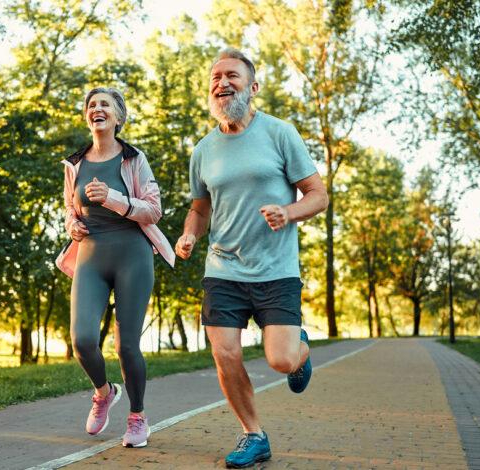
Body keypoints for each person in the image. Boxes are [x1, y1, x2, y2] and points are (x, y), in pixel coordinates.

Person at [175, 48, 329, 468]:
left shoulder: (280, 133)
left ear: (253, 86)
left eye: (232, 76)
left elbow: (319, 195)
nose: (222, 83)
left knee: (280, 360)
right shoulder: (203, 149)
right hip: (223, 267)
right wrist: (189, 234)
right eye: (215, 77)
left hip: (276, 269)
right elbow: (201, 209)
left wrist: (288, 211)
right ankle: (253, 435)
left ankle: (300, 350)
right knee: (225, 353)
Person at [55, 86, 175, 448]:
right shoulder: (74, 165)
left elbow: (153, 210)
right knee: (83, 341)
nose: (98, 109)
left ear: (118, 117)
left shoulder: (134, 159)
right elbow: (69, 209)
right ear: (87, 117)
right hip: (90, 255)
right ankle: (104, 392)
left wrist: (114, 199)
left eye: (105, 104)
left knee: (126, 346)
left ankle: (137, 416)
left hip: (133, 255)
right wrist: (71, 225)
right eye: (92, 105)